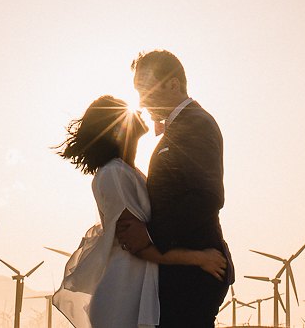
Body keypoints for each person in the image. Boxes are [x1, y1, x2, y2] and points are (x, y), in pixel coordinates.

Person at [53, 95, 228, 328]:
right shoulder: (113, 174)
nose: (137, 110)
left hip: (137, 288)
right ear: (116, 128)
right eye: (125, 110)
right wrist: (199, 258)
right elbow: (138, 245)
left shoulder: (127, 171)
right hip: (123, 295)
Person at [116, 50, 234, 328]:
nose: (141, 101)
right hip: (185, 265)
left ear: (173, 84)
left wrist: (150, 239)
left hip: (194, 268)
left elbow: (206, 197)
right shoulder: (182, 126)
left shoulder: (196, 124)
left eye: (145, 89)